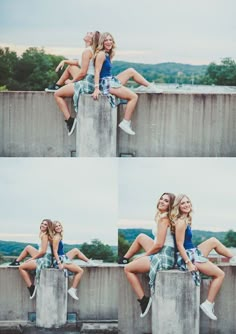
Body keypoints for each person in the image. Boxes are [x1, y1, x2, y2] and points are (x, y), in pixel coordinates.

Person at [171, 194, 235, 321]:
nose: (186, 205)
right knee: (220, 274)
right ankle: (208, 303)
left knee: (213, 240)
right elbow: (179, 244)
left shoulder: (186, 219)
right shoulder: (180, 222)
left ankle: (233, 257)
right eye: (182, 203)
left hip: (192, 250)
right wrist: (189, 263)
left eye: (188, 202)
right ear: (178, 206)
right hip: (187, 256)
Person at [92, 32, 163, 136]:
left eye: (110, 40)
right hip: (105, 84)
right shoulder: (101, 54)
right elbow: (97, 71)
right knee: (133, 97)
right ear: (102, 42)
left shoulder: (108, 54)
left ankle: (149, 87)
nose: (108, 42)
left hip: (110, 80)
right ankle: (126, 122)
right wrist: (96, 88)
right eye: (106, 40)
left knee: (131, 71)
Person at [121, 193, 176, 318]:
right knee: (141, 237)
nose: (162, 201)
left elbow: (159, 245)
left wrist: (143, 256)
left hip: (164, 255)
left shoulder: (164, 219)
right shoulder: (163, 217)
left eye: (166, 201)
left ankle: (144, 300)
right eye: (161, 198)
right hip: (166, 251)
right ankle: (124, 258)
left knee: (128, 269)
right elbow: (157, 242)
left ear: (170, 205)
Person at [46, 31, 100, 136]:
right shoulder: (89, 50)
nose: (87, 33)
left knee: (57, 94)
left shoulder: (88, 51)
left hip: (88, 82)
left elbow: (83, 72)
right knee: (70, 67)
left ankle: (70, 120)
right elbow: (78, 63)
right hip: (91, 80)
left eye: (90, 34)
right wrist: (65, 61)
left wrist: (73, 81)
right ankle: (57, 85)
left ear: (91, 39)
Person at [52, 221, 94, 300]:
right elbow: (54, 251)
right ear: (54, 228)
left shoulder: (58, 236)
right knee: (80, 271)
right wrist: (59, 263)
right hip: (59, 260)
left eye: (59, 225)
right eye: (56, 226)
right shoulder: (56, 237)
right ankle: (72, 289)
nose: (58, 227)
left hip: (62, 256)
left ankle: (89, 262)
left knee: (75, 250)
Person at [13, 219, 54, 299]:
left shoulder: (45, 236)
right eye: (42, 223)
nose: (42, 225)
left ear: (48, 227)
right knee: (28, 247)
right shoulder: (43, 234)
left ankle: (31, 287)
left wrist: (31, 259)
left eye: (45, 224)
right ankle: (17, 261)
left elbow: (43, 252)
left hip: (45, 259)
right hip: (43, 256)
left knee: (22, 267)